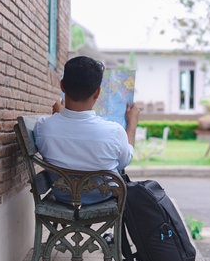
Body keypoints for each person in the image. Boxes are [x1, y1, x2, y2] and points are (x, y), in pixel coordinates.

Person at [34, 56, 139, 205]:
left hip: (62, 196)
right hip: (103, 197)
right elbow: (124, 162)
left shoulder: (42, 126)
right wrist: (132, 124)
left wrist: (57, 115)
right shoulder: (115, 131)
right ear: (97, 92)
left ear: (62, 86)